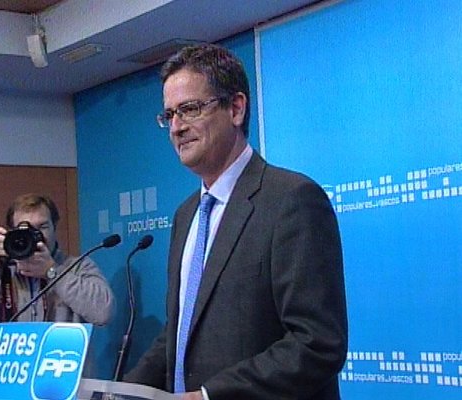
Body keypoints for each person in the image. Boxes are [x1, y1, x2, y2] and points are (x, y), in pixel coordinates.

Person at [124, 44, 348, 400]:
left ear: (236, 109)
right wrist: (119, 393)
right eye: (169, 115)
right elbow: (179, 333)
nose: (177, 127)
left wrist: (210, 395)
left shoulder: (291, 200)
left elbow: (316, 343)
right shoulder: (185, 215)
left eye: (190, 109)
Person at [0, 193, 115, 337]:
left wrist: (52, 272)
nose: (35, 235)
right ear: (12, 233)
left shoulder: (77, 266)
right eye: (25, 228)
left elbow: (104, 313)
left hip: (62, 356)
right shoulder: (3, 273)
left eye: (42, 227)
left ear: (54, 227)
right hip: (14, 356)